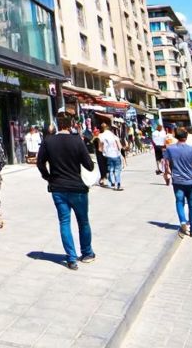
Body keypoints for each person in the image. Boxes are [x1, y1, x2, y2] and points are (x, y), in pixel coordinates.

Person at [36, 113, 96, 270]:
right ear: (71, 124)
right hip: (77, 188)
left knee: (64, 222)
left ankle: (71, 258)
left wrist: (48, 177)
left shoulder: (48, 141)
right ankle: (87, 253)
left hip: (58, 188)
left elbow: (39, 162)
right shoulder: (77, 140)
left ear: (57, 124)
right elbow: (89, 165)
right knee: (83, 221)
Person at [162, 127, 192, 238]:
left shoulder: (170, 149)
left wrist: (167, 174)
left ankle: (182, 221)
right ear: (186, 137)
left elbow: (166, 164)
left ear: (176, 136)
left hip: (177, 180)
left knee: (179, 201)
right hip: (191, 182)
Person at [98, 123, 124, 190]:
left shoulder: (101, 136)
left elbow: (100, 148)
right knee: (117, 170)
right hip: (116, 154)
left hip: (108, 155)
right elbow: (120, 146)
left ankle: (111, 183)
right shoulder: (114, 135)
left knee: (110, 169)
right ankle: (117, 184)